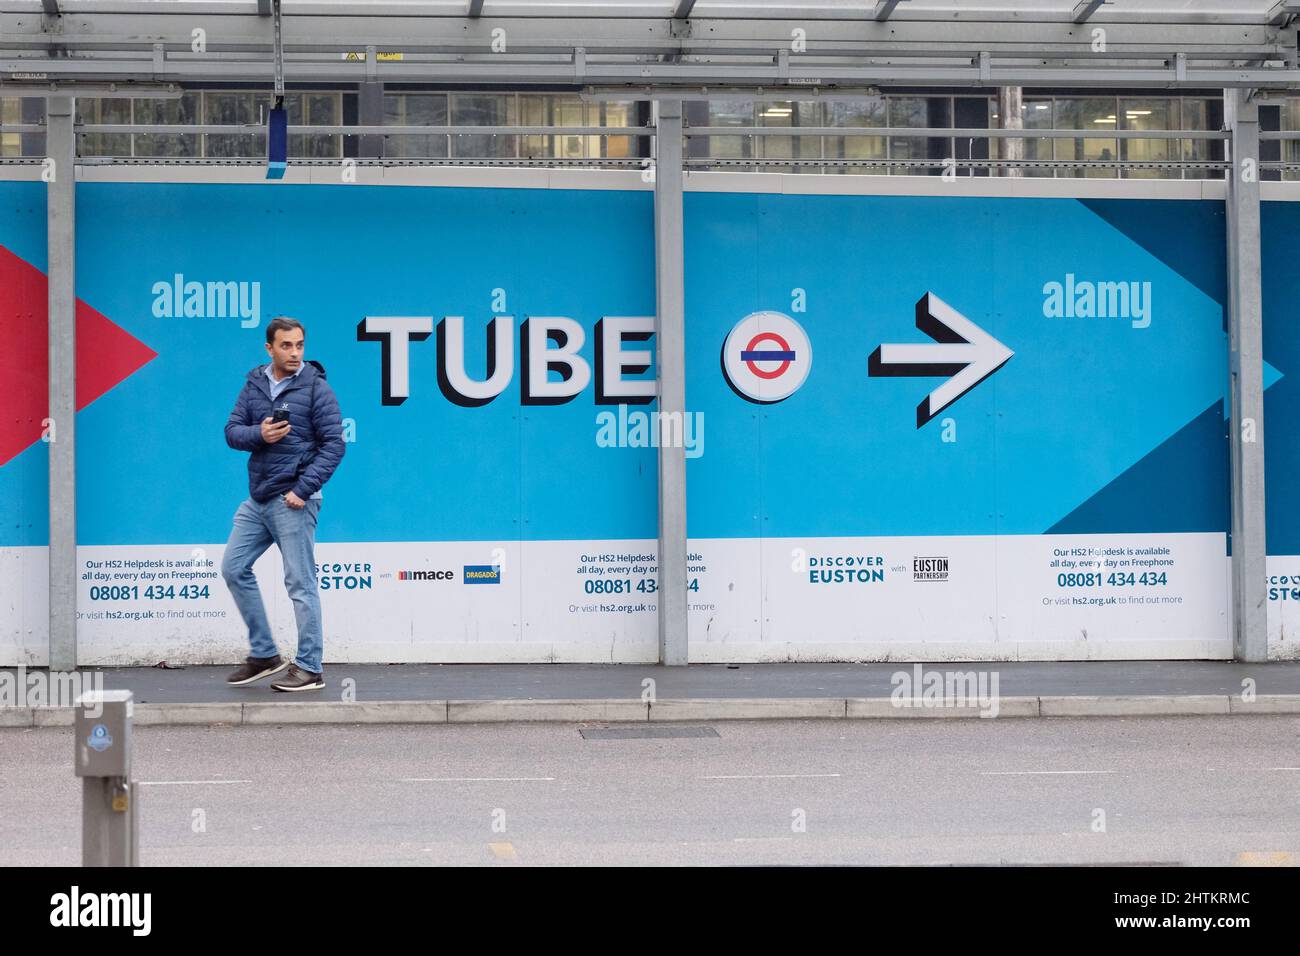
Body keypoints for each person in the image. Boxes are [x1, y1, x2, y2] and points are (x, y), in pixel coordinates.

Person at [220, 317, 345, 691]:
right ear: (269, 348)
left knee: (300, 584)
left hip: (294, 499)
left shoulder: (315, 389)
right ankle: (264, 655)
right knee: (233, 567)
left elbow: (335, 445)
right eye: (286, 346)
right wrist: (259, 433)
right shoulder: (254, 384)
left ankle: (310, 668)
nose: (294, 353)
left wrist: (304, 490)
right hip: (259, 497)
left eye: (300, 345)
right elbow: (231, 432)